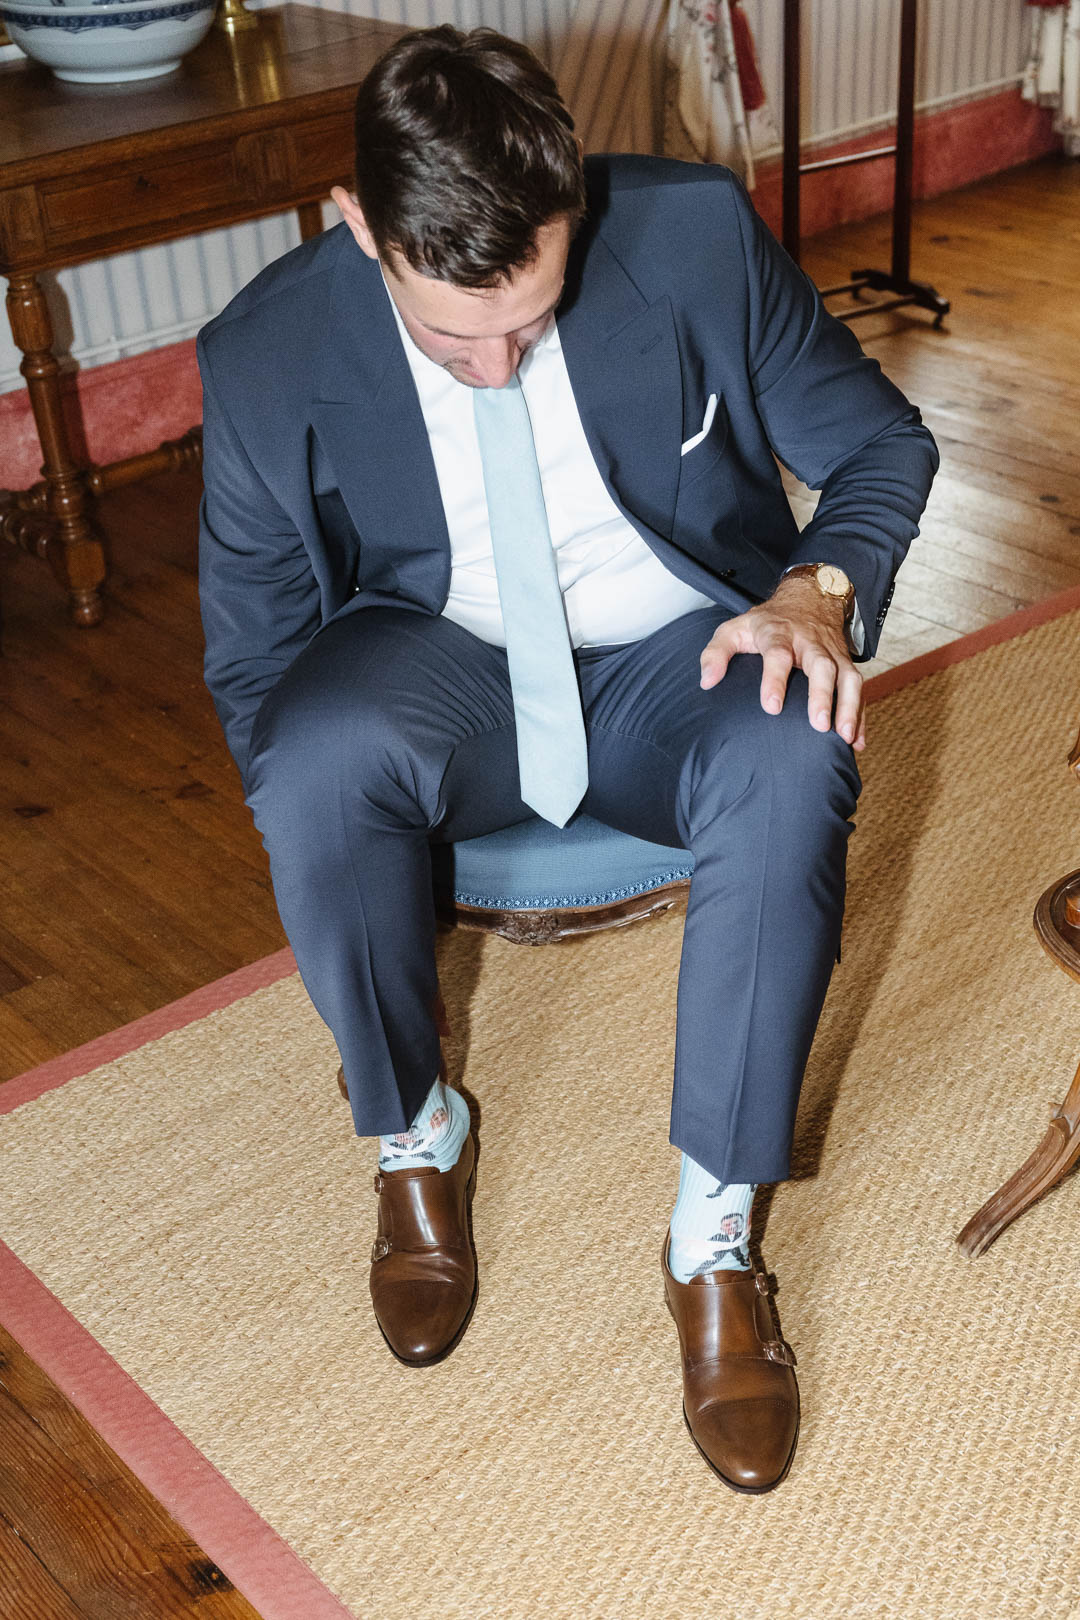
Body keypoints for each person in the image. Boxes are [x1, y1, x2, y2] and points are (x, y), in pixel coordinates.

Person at [197, 25, 937, 1494]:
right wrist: (334, 855)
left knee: (794, 748)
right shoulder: (265, 350)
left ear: (574, 206)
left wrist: (815, 592)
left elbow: (879, 449)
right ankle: (417, 1135)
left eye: (529, 323)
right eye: (451, 339)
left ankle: (713, 1236)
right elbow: (255, 664)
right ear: (359, 225)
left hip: (680, 651)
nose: (498, 366)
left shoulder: (693, 235)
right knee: (314, 750)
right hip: (443, 660)